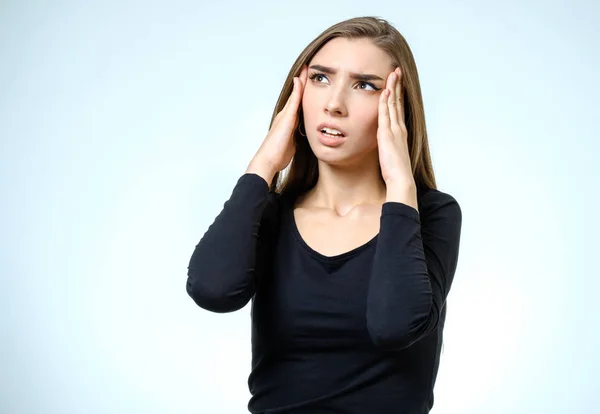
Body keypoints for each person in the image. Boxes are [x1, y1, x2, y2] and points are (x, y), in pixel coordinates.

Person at [186, 16, 462, 414]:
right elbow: (213, 291)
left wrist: (401, 183)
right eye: (320, 78)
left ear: (397, 107)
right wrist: (263, 165)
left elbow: (395, 325)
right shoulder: (271, 214)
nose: (334, 103)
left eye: (365, 85)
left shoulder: (432, 214)